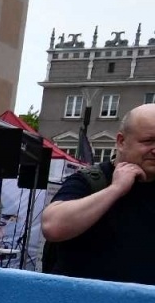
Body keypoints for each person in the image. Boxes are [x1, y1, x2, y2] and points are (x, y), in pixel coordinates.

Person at [40, 103, 155, 285]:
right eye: (148, 141)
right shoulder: (93, 180)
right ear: (121, 142)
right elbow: (52, 226)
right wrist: (115, 189)